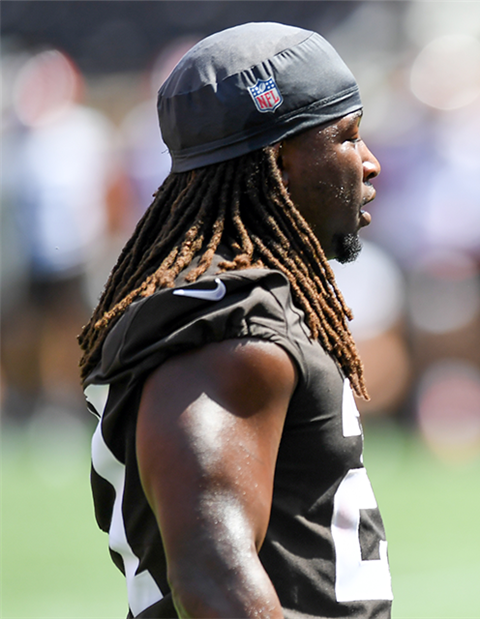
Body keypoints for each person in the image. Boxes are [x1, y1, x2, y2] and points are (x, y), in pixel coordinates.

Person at [80, 22, 392, 618]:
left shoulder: (233, 308)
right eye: (348, 137)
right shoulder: (229, 334)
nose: (370, 163)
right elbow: (214, 581)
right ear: (280, 163)